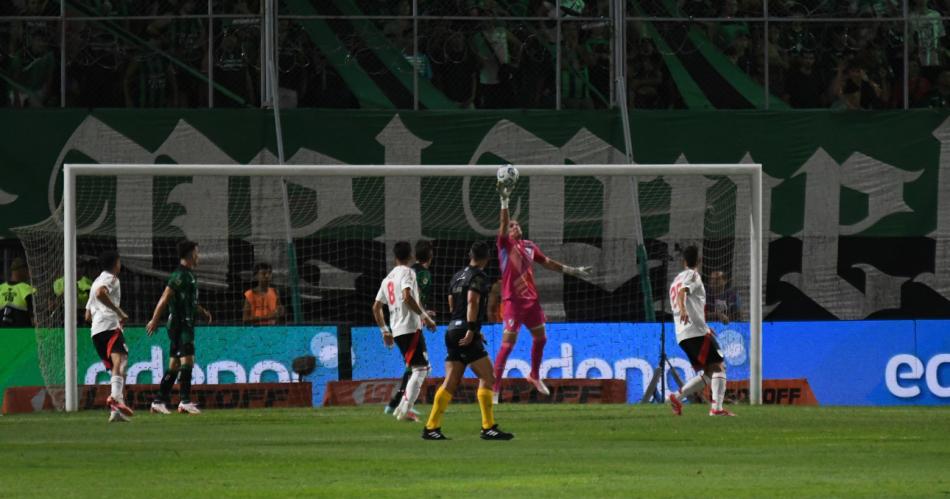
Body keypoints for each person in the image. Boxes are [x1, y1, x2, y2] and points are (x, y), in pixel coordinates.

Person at [492, 172, 591, 402]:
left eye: (517, 224)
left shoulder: (529, 247)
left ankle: (534, 375)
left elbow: (548, 263)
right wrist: (505, 202)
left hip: (532, 303)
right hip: (513, 303)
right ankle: (494, 389)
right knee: (507, 346)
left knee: (541, 338)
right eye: (511, 225)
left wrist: (573, 270)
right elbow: (503, 224)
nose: (515, 226)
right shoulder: (504, 246)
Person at [423, 241, 513, 441]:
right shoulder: (479, 277)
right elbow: (472, 300)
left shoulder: (457, 275)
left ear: (469, 255)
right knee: (489, 377)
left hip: (452, 328)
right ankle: (488, 427)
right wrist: (472, 328)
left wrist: (462, 323)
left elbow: (451, 302)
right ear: (487, 258)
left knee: (451, 381)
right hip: (465, 330)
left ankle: (431, 427)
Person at [371, 241, 436, 423]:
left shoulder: (388, 279)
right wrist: (425, 317)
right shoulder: (408, 273)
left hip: (397, 329)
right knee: (421, 369)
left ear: (395, 257)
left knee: (421, 368)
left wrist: (385, 331)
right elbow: (407, 297)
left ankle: (400, 407)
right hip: (409, 326)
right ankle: (405, 410)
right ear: (410, 257)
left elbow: (376, 307)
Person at [145, 240, 213, 415]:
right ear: (190, 254)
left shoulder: (190, 275)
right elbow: (164, 298)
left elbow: (190, 302)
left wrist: (203, 312)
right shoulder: (179, 275)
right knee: (187, 361)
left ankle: (158, 401)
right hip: (180, 325)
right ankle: (184, 401)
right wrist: (154, 320)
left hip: (185, 323)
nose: (199, 256)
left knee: (174, 365)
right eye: (197, 252)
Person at [667, 246, 734, 417]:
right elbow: (683, 293)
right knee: (719, 367)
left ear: (684, 261)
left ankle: (676, 397)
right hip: (695, 331)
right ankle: (716, 409)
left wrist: (702, 322)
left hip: (682, 334)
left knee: (710, 371)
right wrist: (683, 309)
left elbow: (688, 301)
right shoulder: (693, 275)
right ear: (700, 260)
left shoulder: (675, 280)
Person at [84, 250, 134, 422]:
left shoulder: (95, 282)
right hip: (110, 326)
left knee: (117, 367)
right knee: (121, 361)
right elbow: (101, 294)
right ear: (116, 263)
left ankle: (116, 412)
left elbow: (87, 315)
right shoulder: (111, 278)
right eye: (119, 262)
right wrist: (119, 311)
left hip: (96, 332)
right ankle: (115, 397)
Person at [0, 257, 35, 328]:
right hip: (22, 336)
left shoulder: (1, 288)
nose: (28, 272)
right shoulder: (27, 289)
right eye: (27, 269)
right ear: (22, 270)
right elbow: (35, 320)